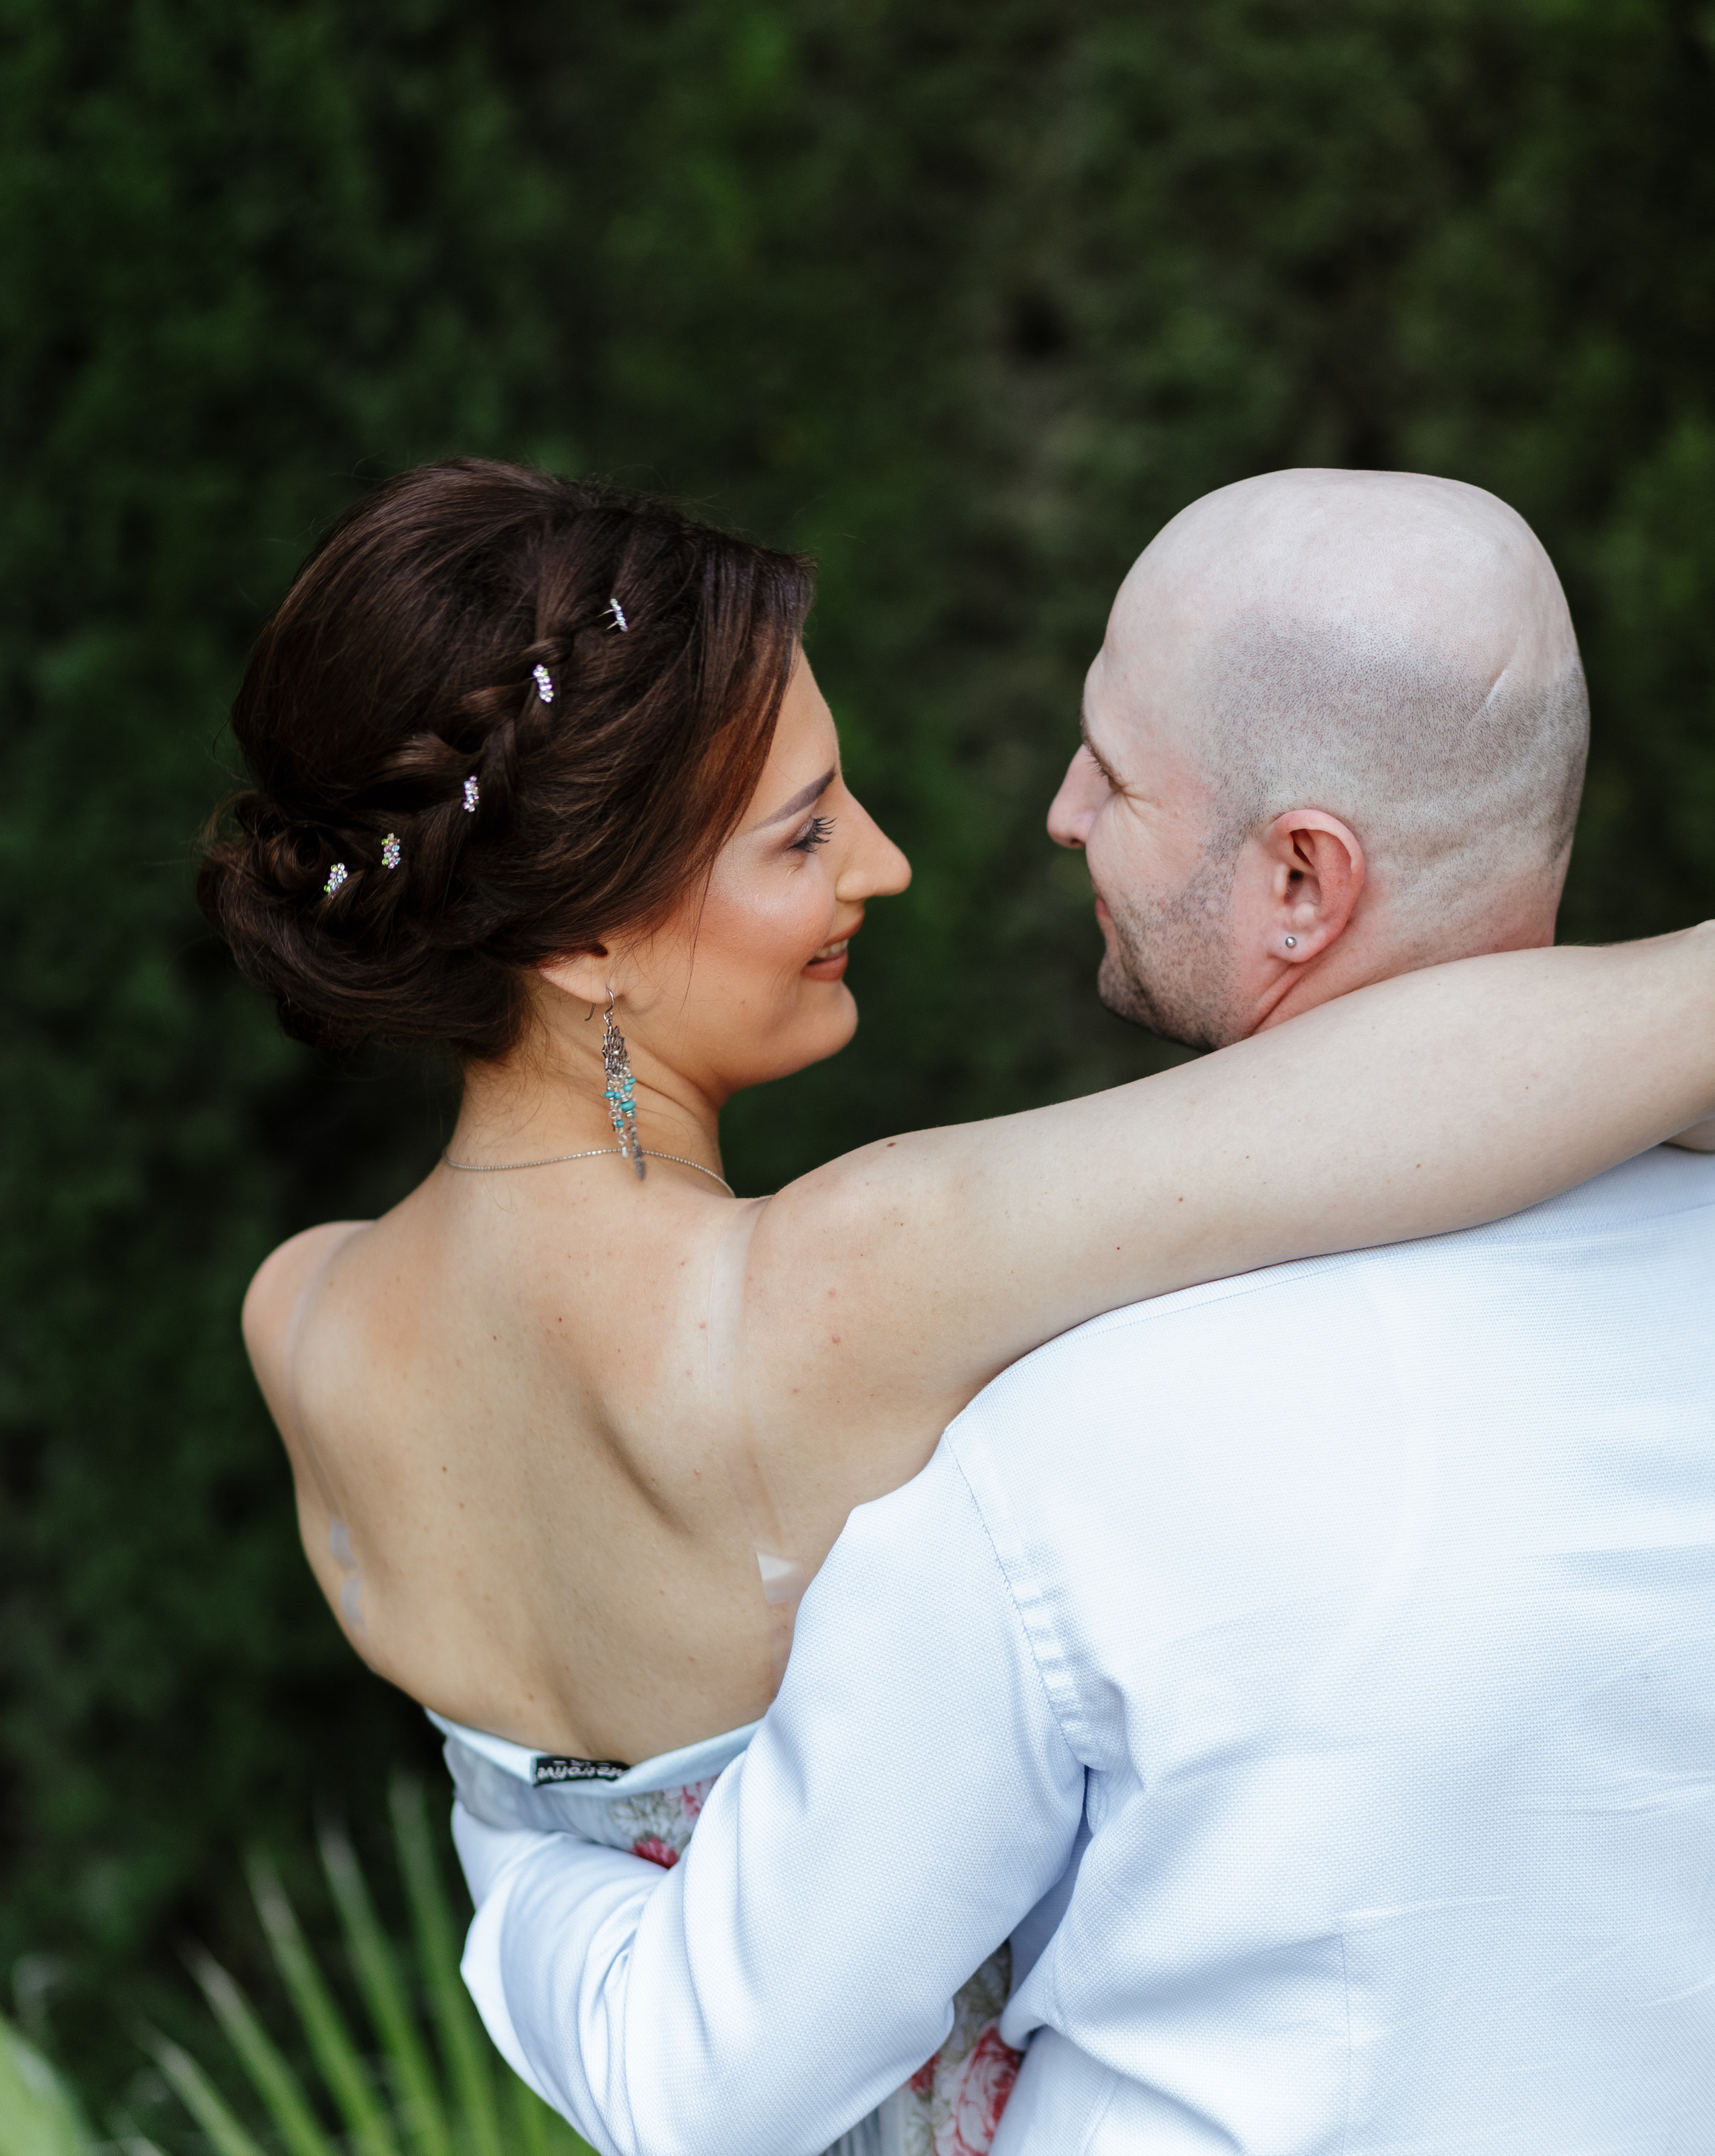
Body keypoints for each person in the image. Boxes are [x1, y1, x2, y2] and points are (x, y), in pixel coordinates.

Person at [203, 460, 1715, 2156]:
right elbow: (1431, 1081)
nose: (888, 864)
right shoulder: (839, 1287)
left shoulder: (299, 1320)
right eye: (803, 832)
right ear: (582, 942)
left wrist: (529, 1890)